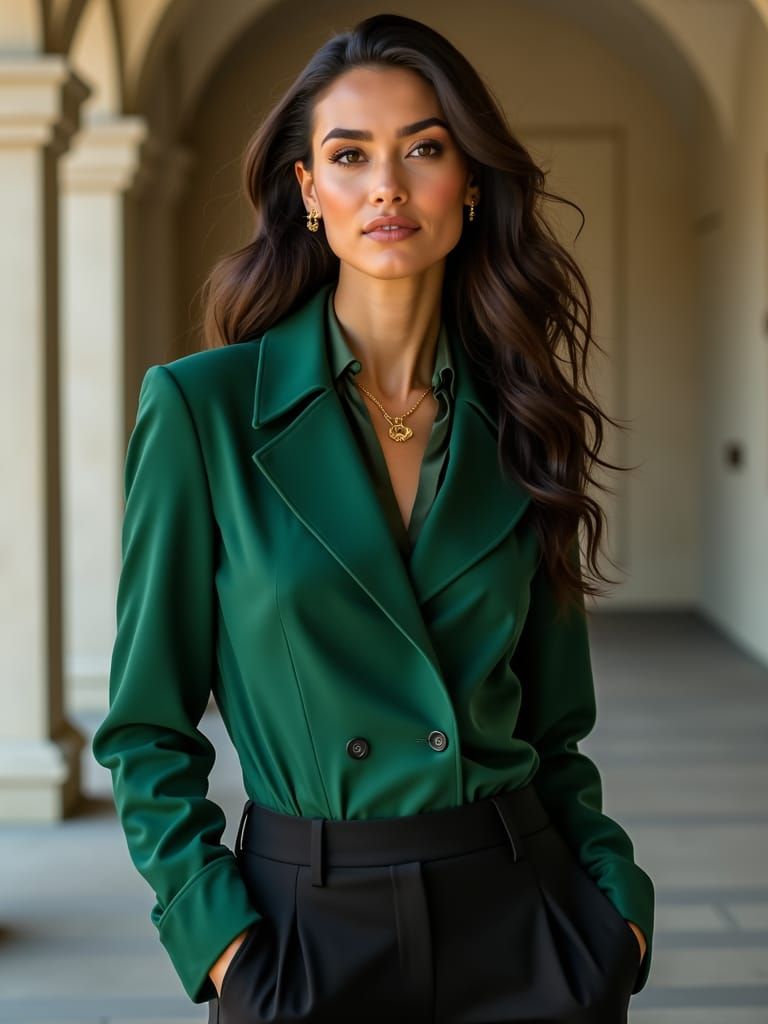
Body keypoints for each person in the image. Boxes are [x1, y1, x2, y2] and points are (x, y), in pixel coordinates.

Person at [92, 12, 655, 1023]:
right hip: (303, 930)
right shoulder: (202, 410)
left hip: (523, 921)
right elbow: (145, 726)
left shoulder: (526, 421)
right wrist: (216, 935)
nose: (387, 184)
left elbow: (556, 725)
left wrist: (616, 910)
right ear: (308, 191)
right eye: (349, 155)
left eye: (424, 149)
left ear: (470, 185)